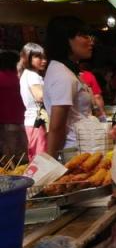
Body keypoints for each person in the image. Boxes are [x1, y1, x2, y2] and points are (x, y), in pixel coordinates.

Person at [43, 16, 95, 157]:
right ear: (65, 40)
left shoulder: (65, 70)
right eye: (83, 35)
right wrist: (51, 161)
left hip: (83, 150)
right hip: (76, 153)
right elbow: (57, 126)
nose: (90, 41)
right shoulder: (62, 75)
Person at [19, 43, 48, 158]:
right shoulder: (32, 75)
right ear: (27, 58)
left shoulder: (29, 74)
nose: (44, 61)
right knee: (41, 159)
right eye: (39, 57)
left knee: (38, 158)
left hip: (34, 121)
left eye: (44, 57)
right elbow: (40, 97)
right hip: (37, 121)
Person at [0, 51, 28, 160]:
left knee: (8, 155)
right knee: (24, 153)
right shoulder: (22, 77)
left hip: (5, 121)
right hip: (24, 120)